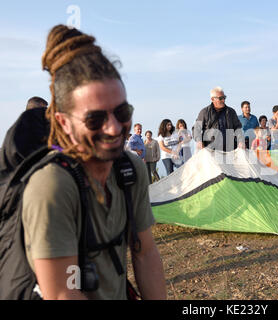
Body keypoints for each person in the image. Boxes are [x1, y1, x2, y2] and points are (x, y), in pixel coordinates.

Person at [21, 24, 166, 300]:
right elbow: (63, 292)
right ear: (63, 122)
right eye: (95, 119)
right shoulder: (51, 186)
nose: (113, 128)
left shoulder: (129, 170)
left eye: (122, 112)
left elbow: (145, 253)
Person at [193, 87, 244, 152]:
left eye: (224, 97)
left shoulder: (231, 112)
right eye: (220, 98)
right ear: (212, 99)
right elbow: (196, 129)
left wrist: (241, 141)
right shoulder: (204, 112)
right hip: (210, 151)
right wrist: (199, 141)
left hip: (229, 151)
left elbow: (238, 128)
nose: (223, 100)